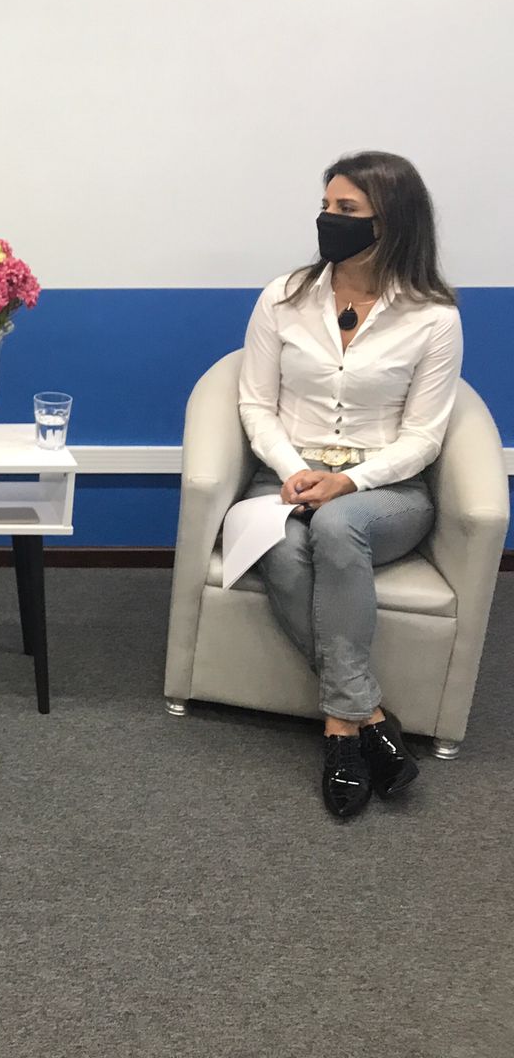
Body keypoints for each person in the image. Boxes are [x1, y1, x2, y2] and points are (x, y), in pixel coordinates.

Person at [238, 151, 462, 819]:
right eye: (326, 206)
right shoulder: (283, 297)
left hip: (388, 491)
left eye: (347, 210)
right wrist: (293, 471)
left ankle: (342, 726)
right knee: (283, 549)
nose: (328, 219)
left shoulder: (433, 316)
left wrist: (350, 480)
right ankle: (365, 720)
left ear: (389, 221)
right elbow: (256, 404)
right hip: (286, 476)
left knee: (337, 525)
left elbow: (424, 437)